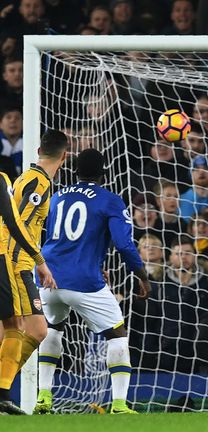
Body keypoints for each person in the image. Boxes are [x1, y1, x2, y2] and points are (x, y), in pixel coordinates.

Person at [34, 149, 150, 415]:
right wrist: (142, 275)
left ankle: (44, 397)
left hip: (48, 277)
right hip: (83, 281)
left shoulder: (57, 196)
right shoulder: (110, 200)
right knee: (117, 335)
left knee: (53, 329)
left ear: (74, 172)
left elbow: (58, 238)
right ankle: (120, 404)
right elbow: (123, 244)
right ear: (104, 173)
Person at [0, 131, 68, 413]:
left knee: (21, 331)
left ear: (39, 149)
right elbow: (18, 224)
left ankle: (3, 388)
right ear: (65, 156)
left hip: (18, 261)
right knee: (36, 330)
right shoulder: (38, 183)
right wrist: (39, 262)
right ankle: (2, 391)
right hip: (15, 262)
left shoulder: (26, 178)